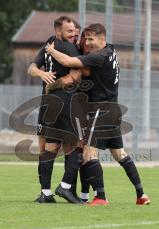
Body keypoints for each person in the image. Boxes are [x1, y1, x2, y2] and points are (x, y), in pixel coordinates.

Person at [45, 23, 150, 205]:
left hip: (102, 110)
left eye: (91, 39)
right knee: (119, 154)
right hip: (113, 110)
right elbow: (86, 70)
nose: (88, 42)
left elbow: (69, 63)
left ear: (102, 38)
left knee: (88, 153)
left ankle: (99, 197)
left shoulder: (99, 56)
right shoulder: (111, 51)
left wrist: (51, 51)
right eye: (86, 38)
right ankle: (141, 195)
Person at [28, 16, 82, 203]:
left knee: (47, 149)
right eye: (69, 31)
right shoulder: (68, 47)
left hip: (47, 103)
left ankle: (46, 193)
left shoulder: (50, 43)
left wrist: (42, 73)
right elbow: (74, 71)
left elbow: (32, 67)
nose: (74, 33)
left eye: (75, 30)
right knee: (74, 146)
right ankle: (67, 188)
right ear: (58, 31)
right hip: (64, 102)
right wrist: (43, 74)